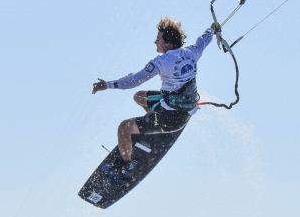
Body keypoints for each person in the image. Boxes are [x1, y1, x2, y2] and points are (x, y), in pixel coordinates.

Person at [92, 17, 221, 180]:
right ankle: (151, 123)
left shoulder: (161, 61)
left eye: (158, 39)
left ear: (168, 43)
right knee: (140, 96)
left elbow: (134, 80)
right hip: (182, 107)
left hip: (172, 118)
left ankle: (126, 167)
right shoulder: (192, 52)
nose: (155, 42)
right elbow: (203, 40)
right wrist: (212, 29)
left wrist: (108, 85)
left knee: (124, 128)